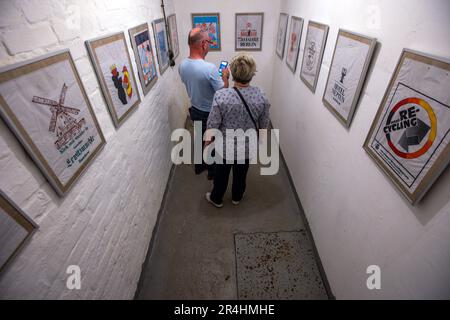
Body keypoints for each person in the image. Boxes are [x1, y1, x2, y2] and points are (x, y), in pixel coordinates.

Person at [204, 53, 270, 208]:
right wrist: (260, 142)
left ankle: (217, 198)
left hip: (224, 147)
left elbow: (212, 124)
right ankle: (237, 197)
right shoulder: (261, 96)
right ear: (252, 73)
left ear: (231, 73)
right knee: (241, 174)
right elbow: (264, 123)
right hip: (247, 146)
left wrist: (207, 144)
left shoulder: (221, 95)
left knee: (221, 175)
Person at [179, 28, 229, 179]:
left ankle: (200, 167)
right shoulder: (210, 69)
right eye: (209, 42)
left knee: (200, 137)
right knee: (213, 143)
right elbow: (222, 91)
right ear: (202, 44)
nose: (210, 45)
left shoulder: (182, 65)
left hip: (195, 109)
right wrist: (225, 76)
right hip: (210, 114)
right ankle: (212, 172)